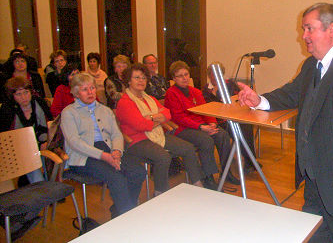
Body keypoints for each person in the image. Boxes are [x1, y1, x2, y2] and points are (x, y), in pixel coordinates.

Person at [238, 3, 333, 243]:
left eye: (309, 28)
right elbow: (291, 93)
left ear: (332, 28)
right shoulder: (311, 65)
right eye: (303, 29)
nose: (304, 36)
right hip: (314, 181)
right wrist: (259, 100)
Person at [61, 73, 146, 217]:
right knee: (117, 178)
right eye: (84, 89)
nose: (90, 92)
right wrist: (104, 156)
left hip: (108, 149)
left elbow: (116, 134)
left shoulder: (105, 110)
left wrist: (117, 151)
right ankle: (127, 216)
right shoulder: (69, 113)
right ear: (76, 93)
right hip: (83, 156)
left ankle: (121, 211)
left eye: (92, 88)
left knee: (138, 171)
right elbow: (74, 142)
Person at [116, 63, 204, 195]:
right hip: (136, 140)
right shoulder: (125, 102)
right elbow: (141, 125)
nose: (141, 81)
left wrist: (150, 118)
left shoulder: (149, 98)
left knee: (188, 148)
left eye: (144, 78)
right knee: (163, 157)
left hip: (156, 135)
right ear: (129, 80)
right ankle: (160, 192)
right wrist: (156, 118)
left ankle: (197, 184)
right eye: (137, 78)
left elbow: (167, 114)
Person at [164, 61, 240, 187]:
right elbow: (179, 117)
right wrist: (201, 127)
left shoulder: (195, 91)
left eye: (186, 74)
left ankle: (226, 172)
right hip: (182, 129)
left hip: (201, 126)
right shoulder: (171, 93)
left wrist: (212, 123)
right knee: (206, 140)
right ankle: (208, 177)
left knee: (223, 135)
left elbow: (205, 110)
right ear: (174, 78)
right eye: (180, 76)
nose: (184, 78)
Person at [202, 62, 261, 174]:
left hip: (233, 115)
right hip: (218, 120)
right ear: (209, 75)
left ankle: (249, 161)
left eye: (218, 74)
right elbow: (207, 107)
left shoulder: (229, 84)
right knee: (238, 129)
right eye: (213, 74)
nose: (215, 77)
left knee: (246, 126)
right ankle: (248, 162)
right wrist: (215, 93)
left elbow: (239, 98)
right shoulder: (206, 89)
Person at [0, 76, 52, 183]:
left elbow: (49, 125)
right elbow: (6, 136)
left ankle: (50, 185)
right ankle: (40, 186)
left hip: (41, 143)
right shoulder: (7, 109)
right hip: (17, 148)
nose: (24, 97)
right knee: (33, 163)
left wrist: (45, 141)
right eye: (18, 94)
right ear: (12, 95)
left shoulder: (39, 103)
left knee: (51, 156)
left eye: (26, 92)